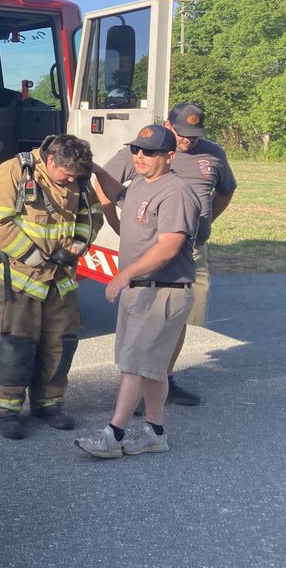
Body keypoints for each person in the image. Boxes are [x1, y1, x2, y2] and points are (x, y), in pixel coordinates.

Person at [76, 124, 201, 458]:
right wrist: (97, 170)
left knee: (134, 364)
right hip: (139, 289)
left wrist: (123, 274)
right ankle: (155, 433)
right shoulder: (140, 186)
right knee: (151, 368)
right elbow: (119, 194)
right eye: (137, 150)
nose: (140, 157)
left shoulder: (175, 192)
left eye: (150, 152)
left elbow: (169, 247)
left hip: (163, 291)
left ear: (170, 156)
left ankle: (112, 435)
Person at [99, 102, 236, 405]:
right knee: (143, 324)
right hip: (151, 253)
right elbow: (104, 186)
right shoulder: (150, 148)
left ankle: (164, 379)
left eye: (195, 134)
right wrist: (116, 224)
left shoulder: (213, 153)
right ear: (169, 124)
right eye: (183, 133)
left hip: (192, 252)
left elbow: (226, 190)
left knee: (178, 319)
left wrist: (206, 221)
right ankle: (134, 393)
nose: (189, 140)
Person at [0, 134, 104, 439]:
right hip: (20, 278)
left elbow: (92, 216)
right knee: (14, 346)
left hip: (60, 281)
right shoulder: (13, 173)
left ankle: (49, 404)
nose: (71, 180)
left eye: (76, 176)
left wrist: (75, 248)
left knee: (60, 346)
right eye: (67, 174)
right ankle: (5, 410)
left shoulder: (79, 178)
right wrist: (35, 256)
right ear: (50, 161)